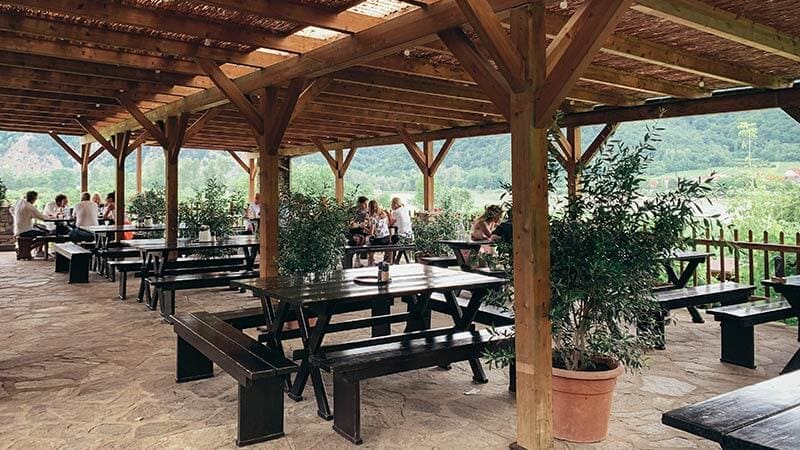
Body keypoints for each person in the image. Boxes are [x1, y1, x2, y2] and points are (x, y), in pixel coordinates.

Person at [14, 191, 48, 257]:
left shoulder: (20, 202)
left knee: (40, 229)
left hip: (18, 229)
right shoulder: (29, 207)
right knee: (46, 234)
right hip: (25, 231)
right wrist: (51, 217)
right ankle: (32, 250)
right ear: (34, 199)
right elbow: (41, 217)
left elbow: (11, 209)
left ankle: (27, 249)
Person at [367, 200, 391, 265]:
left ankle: (371, 261)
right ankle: (386, 261)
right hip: (387, 238)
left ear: (369, 208)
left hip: (379, 240)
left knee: (368, 241)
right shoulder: (384, 214)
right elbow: (388, 224)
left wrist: (364, 228)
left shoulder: (373, 218)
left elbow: (371, 232)